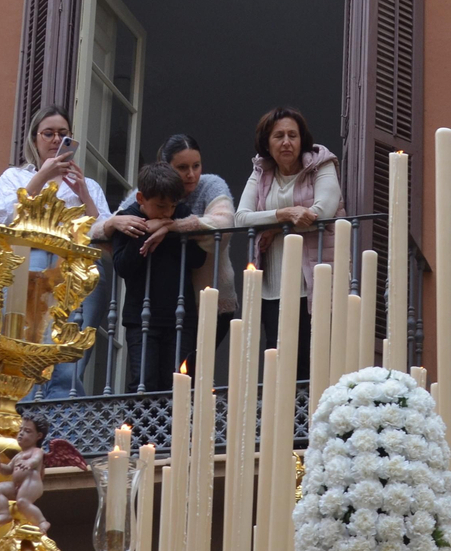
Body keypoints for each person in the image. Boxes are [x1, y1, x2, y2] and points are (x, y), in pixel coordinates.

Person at [0, 106, 147, 398]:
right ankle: (26, 417)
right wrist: (42, 176)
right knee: (28, 347)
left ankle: (62, 420)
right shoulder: (14, 177)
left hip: (77, 271)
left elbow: (104, 234)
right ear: (34, 139)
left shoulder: (88, 185)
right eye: (48, 133)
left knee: (70, 354)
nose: (55, 139)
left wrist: (83, 193)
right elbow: (6, 218)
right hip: (30, 264)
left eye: (63, 134)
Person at [235, 106, 342, 377]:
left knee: (310, 359)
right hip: (273, 286)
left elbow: (322, 212)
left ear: (301, 140)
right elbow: (241, 218)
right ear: (267, 143)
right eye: (279, 136)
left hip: (313, 281)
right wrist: (283, 215)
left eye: (292, 135)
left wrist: (274, 229)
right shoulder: (261, 172)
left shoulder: (321, 164)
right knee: (279, 359)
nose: (286, 142)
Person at [115, 133, 238, 334]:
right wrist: (113, 222)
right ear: (165, 167)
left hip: (212, 299)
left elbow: (224, 224)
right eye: (182, 167)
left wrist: (169, 226)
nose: (191, 174)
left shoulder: (211, 184)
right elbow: (103, 230)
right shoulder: (149, 191)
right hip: (165, 307)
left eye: (196, 166)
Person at [114, 162, 206, 392]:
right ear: (141, 198)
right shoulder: (127, 220)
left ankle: (175, 420)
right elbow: (123, 266)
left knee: (176, 384)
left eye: (172, 206)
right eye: (161, 206)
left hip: (180, 316)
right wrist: (145, 231)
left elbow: (198, 258)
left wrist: (169, 229)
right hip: (141, 316)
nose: (167, 212)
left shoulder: (180, 215)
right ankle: (140, 419)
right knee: (143, 383)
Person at [0, 414, 52, 532]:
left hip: (32, 483)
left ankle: (42, 521)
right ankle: (3, 514)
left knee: (22, 502)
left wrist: (29, 463)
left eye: (27, 431)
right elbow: (7, 470)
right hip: (17, 486)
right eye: (21, 430)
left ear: (38, 436)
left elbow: (36, 460)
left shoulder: (37, 451)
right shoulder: (18, 455)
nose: (21, 433)